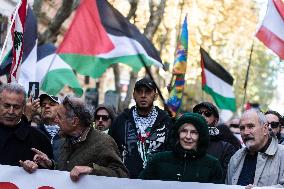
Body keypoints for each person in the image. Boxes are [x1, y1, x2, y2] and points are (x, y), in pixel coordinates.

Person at [21, 96, 129, 181]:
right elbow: (66, 171)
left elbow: (122, 174)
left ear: (74, 121)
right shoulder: (65, 141)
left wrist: (92, 170)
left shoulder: (103, 141)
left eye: (60, 117)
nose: (55, 120)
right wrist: (51, 164)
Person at [109, 77, 174, 178]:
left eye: (148, 92)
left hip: (156, 183)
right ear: (134, 95)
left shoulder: (166, 122)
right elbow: (110, 149)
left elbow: (172, 154)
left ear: (155, 96)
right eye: (139, 92)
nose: (143, 95)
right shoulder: (121, 120)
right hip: (126, 182)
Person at [139, 112, 223, 183]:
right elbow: (140, 185)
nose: (188, 136)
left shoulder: (212, 165)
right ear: (178, 134)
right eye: (184, 131)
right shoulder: (159, 159)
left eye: (194, 132)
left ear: (201, 137)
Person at [226, 109, 284, 187]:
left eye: (251, 126)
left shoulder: (282, 155)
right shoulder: (236, 157)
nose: (246, 132)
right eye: (242, 128)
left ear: (265, 129)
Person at [0, 83, 53, 166]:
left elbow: (51, 172)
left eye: (16, 107)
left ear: (24, 108)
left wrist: (42, 166)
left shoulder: (40, 139)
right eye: (6, 106)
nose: (11, 112)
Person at [193, 102, 236, 182]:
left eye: (207, 114)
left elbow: (223, 178)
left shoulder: (227, 148)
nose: (202, 116)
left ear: (216, 121)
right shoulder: (184, 141)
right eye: (198, 113)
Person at [37, 94, 62, 162]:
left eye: (52, 104)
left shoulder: (68, 134)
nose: (46, 106)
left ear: (60, 109)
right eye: (43, 105)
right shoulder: (34, 132)